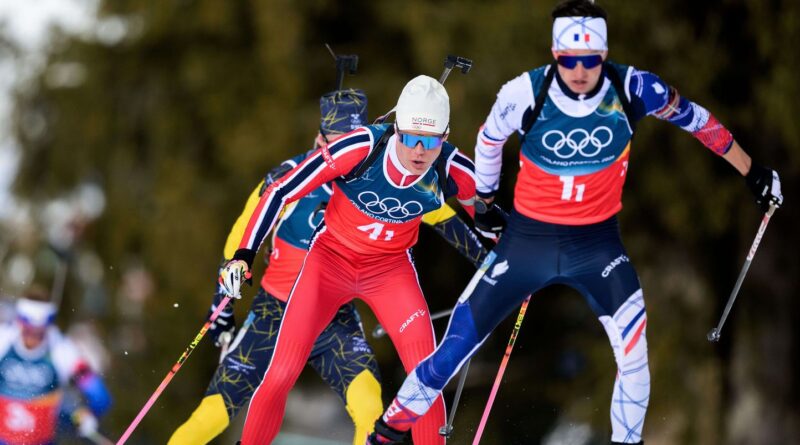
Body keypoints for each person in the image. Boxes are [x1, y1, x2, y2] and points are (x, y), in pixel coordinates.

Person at [366, 1, 785, 444]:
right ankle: (385, 436)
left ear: (603, 55)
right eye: (569, 61)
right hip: (528, 244)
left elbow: (696, 120)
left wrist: (751, 170)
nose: (580, 71)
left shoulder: (633, 87)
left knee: (634, 357)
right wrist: (485, 201)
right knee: (452, 350)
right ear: (555, 54)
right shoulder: (525, 92)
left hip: (597, 247)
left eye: (589, 61)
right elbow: (489, 139)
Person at [169, 89, 487, 445]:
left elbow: (443, 216)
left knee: (370, 406)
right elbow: (241, 234)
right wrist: (222, 302)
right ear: (319, 140)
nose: (340, 150)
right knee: (214, 413)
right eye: (333, 142)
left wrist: (491, 264)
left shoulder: (376, 168)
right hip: (276, 310)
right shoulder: (299, 173)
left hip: (336, 316)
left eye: (348, 140)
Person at [0, 286, 112, 445]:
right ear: (19, 321)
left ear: (48, 325)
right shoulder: (4, 340)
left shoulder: (61, 350)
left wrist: (89, 415)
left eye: (39, 331)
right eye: (28, 329)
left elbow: (99, 395)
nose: (33, 337)